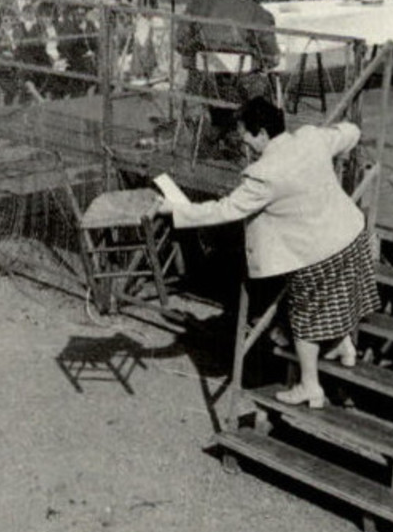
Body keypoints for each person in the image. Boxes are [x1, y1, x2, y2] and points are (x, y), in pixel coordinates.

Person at [152, 97, 379, 407]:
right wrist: (350, 130)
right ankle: (345, 347)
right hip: (349, 235)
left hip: (315, 252)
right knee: (336, 295)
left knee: (304, 319)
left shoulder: (263, 174)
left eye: (245, 133)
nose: (243, 139)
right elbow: (348, 133)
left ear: (261, 134)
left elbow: (225, 210)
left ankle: (310, 386)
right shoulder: (311, 138)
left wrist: (177, 209)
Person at [176, 0, 280, 141]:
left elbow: (180, 43)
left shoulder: (197, 5)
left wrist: (204, 56)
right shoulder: (261, 14)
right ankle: (259, 140)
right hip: (244, 90)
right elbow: (272, 58)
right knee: (269, 83)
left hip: (203, 85)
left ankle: (217, 128)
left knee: (205, 76)